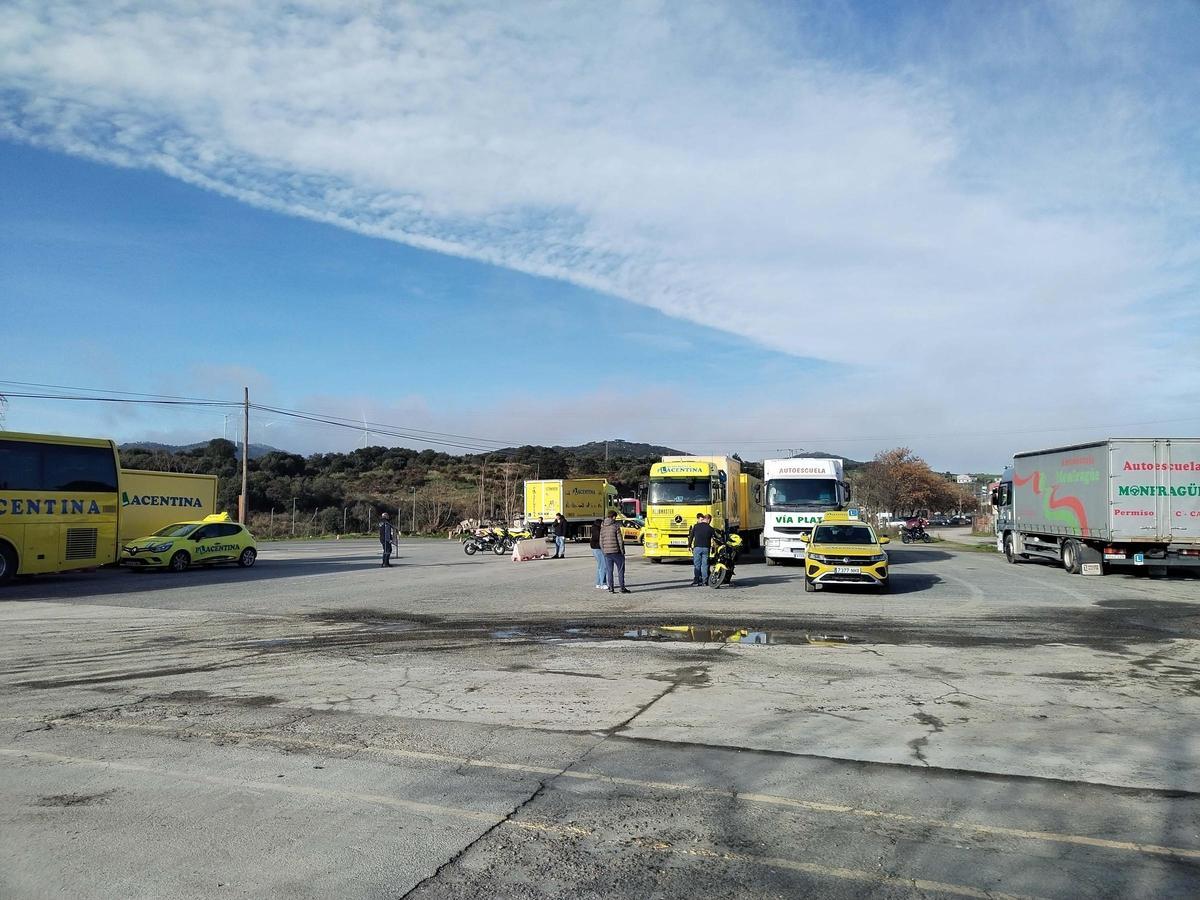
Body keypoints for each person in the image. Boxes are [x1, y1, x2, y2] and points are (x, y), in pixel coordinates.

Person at [599, 510, 630, 594]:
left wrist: (604, 551)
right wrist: (622, 551)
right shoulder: (615, 526)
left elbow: (601, 542)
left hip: (607, 553)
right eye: (615, 517)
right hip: (616, 552)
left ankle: (611, 588)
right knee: (620, 570)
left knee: (609, 571)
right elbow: (620, 541)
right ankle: (622, 588)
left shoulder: (602, 527)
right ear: (613, 517)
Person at [689, 512, 716, 586]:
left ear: (703, 518)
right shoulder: (710, 528)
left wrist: (689, 545)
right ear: (708, 520)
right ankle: (705, 581)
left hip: (697, 548)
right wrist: (714, 547)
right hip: (706, 548)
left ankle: (696, 581)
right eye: (710, 521)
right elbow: (715, 538)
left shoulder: (696, 526)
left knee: (697, 565)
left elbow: (691, 536)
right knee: (705, 565)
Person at [589, 519, 608, 590]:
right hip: (598, 548)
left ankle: (598, 583)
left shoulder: (595, 529)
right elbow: (599, 538)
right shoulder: (597, 530)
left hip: (596, 548)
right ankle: (603, 583)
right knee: (603, 566)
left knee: (600, 566)